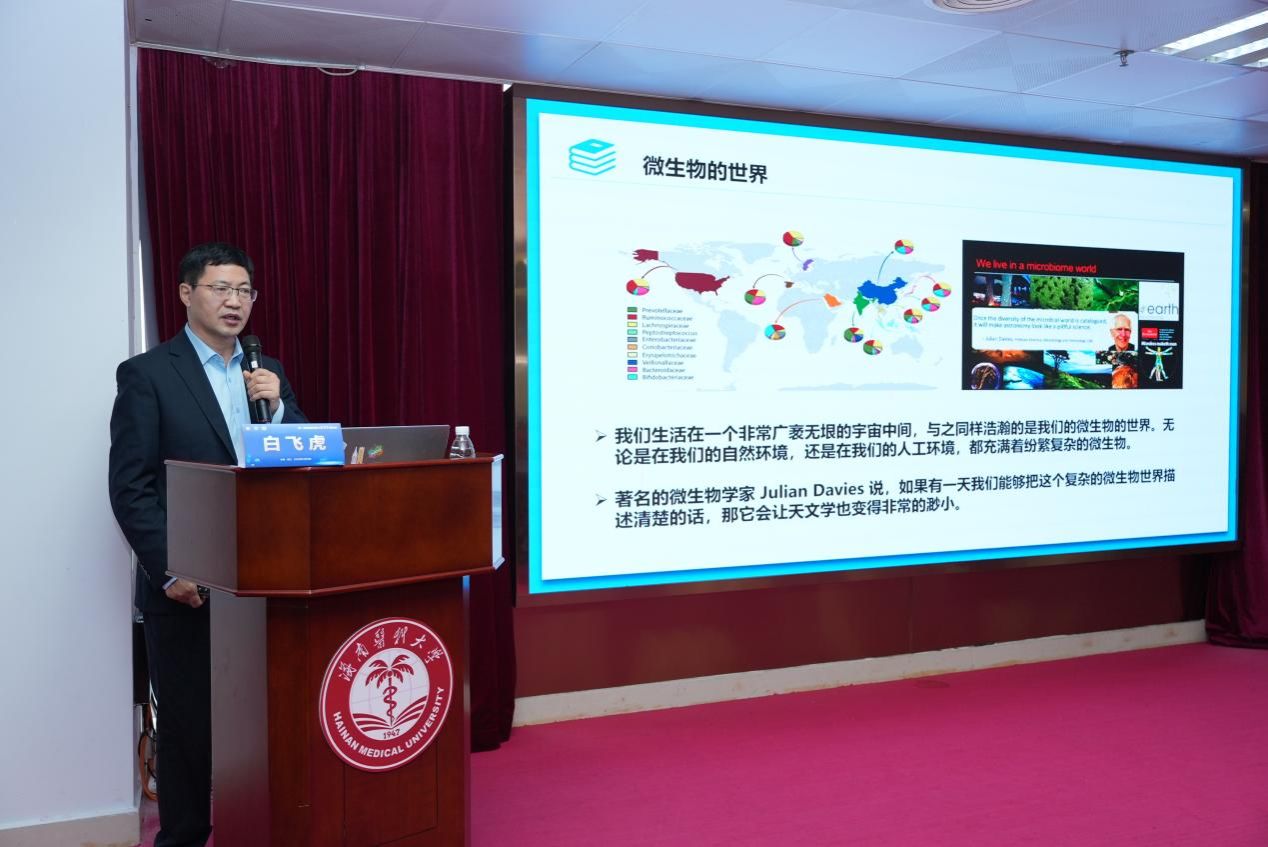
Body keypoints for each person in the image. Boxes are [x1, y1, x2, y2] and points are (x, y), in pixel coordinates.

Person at [109, 243, 307, 847]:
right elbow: (131, 488)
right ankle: (184, 839)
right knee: (189, 729)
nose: (234, 301)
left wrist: (279, 412)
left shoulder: (266, 372)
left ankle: (261, 830)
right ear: (185, 294)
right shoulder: (148, 374)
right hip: (189, 584)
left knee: (265, 722)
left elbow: (306, 460)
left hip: (265, 580)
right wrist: (172, 569)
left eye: (244, 291)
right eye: (221, 288)